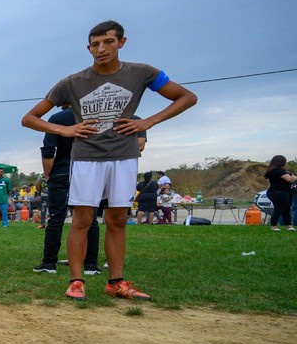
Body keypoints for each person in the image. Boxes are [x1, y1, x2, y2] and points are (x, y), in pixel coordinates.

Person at [21, 20, 197, 301]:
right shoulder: (73, 82)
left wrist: (148, 122)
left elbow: (187, 97)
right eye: (95, 44)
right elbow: (29, 118)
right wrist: (66, 130)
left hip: (124, 157)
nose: (101, 49)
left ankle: (116, 282)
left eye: (108, 42)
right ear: (88, 48)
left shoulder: (142, 73)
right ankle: (76, 281)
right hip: (87, 158)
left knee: (117, 220)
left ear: (122, 43)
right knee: (82, 219)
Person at [34, 106, 102, 275]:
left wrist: (48, 174)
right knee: (90, 219)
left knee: (56, 218)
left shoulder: (58, 118)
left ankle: (49, 262)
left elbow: (48, 150)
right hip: (88, 171)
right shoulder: (95, 117)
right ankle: (91, 265)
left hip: (62, 171)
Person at [264, 154, 296, 231]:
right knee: (279, 209)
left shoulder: (276, 170)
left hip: (285, 192)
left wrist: (292, 176)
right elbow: (289, 179)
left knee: (286, 209)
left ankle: (289, 226)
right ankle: (274, 226)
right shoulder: (277, 170)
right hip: (279, 192)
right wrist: (293, 177)